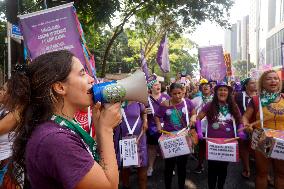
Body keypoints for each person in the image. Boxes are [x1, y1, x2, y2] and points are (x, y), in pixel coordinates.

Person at [5, 50, 122, 189]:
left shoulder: (57, 127)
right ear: (60, 87)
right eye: (82, 73)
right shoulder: (55, 140)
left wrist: (99, 127)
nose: (91, 79)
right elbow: (108, 187)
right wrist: (106, 130)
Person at [196, 82, 245, 189]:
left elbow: (240, 121)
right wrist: (199, 132)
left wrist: (240, 131)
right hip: (212, 142)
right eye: (220, 90)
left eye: (225, 90)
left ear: (229, 92)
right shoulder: (209, 105)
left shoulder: (233, 105)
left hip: (228, 143)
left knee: (223, 169)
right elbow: (198, 118)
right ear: (216, 92)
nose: (222, 92)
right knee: (212, 169)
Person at [243, 70, 284, 189]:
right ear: (262, 82)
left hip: (282, 141)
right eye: (269, 78)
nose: (273, 81)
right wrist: (247, 125)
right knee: (262, 173)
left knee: (281, 174)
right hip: (262, 138)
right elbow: (245, 117)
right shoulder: (256, 100)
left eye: (276, 78)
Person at [155, 83, 196, 189]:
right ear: (170, 93)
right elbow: (157, 116)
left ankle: (181, 186)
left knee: (182, 166)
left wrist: (193, 118)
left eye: (179, 93)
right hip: (169, 137)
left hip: (184, 136)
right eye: (174, 94)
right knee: (169, 166)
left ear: (183, 92)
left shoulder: (187, 102)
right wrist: (159, 126)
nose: (177, 96)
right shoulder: (165, 104)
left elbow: (193, 112)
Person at [114, 101, 148, 189]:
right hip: (122, 139)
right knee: (125, 168)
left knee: (142, 167)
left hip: (139, 138)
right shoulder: (115, 101)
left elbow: (144, 112)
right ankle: (126, 186)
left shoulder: (138, 101)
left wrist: (145, 120)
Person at [146, 76, 169, 177]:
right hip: (151, 128)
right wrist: (144, 111)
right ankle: (150, 167)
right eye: (155, 85)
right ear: (151, 88)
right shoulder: (146, 99)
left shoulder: (166, 97)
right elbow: (141, 111)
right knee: (152, 148)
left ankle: (169, 167)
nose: (158, 86)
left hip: (166, 127)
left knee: (166, 147)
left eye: (158, 84)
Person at [234, 77, 257, 179]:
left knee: (259, 148)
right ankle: (246, 168)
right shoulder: (238, 95)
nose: (255, 84)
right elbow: (232, 107)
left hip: (257, 125)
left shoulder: (261, 96)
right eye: (252, 83)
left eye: (256, 83)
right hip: (243, 125)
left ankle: (263, 171)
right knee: (243, 146)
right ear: (246, 86)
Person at [191, 79, 213, 174]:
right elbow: (190, 110)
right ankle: (200, 165)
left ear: (211, 88)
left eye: (207, 85)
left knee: (212, 147)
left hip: (213, 128)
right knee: (201, 147)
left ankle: (213, 166)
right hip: (200, 127)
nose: (206, 86)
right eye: (203, 85)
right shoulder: (196, 100)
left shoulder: (216, 99)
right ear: (200, 88)